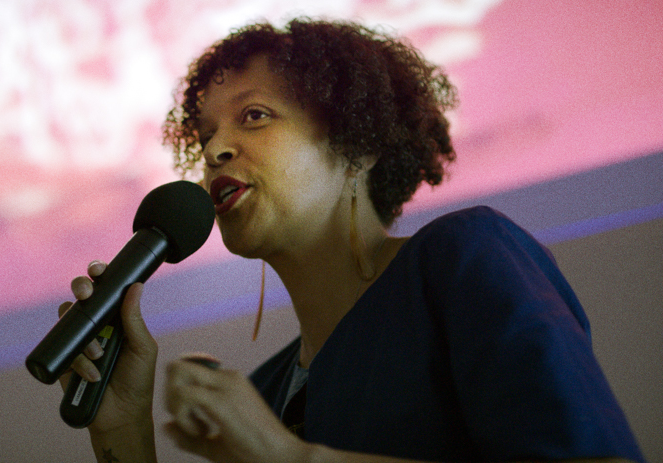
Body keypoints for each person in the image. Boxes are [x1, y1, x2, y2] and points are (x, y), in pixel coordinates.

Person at [58, 18, 645, 463]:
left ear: (357, 145)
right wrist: (124, 427)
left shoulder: (467, 257)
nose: (214, 152)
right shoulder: (264, 392)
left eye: (255, 116)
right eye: (206, 135)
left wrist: (291, 457)